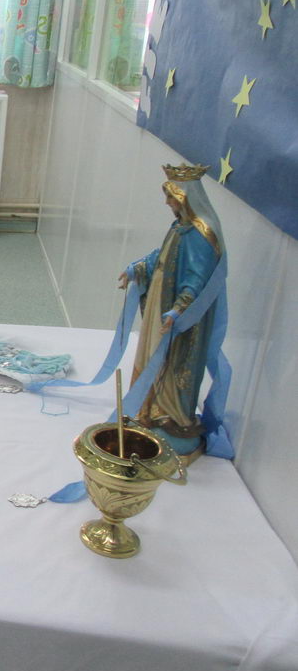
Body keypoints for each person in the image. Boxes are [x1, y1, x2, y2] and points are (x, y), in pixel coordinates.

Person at [118, 164, 227, 460]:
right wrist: (137, 267)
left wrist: (179, 310)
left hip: (182, 321)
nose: (168, 203)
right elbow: (162, 256)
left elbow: (198, 278)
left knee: (175, 363)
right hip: (161, 307)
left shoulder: (202, 234)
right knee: (153, 354)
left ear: (185, 197)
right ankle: (149, 411)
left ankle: (172, 418)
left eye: (172, 197)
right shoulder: (180, 226)